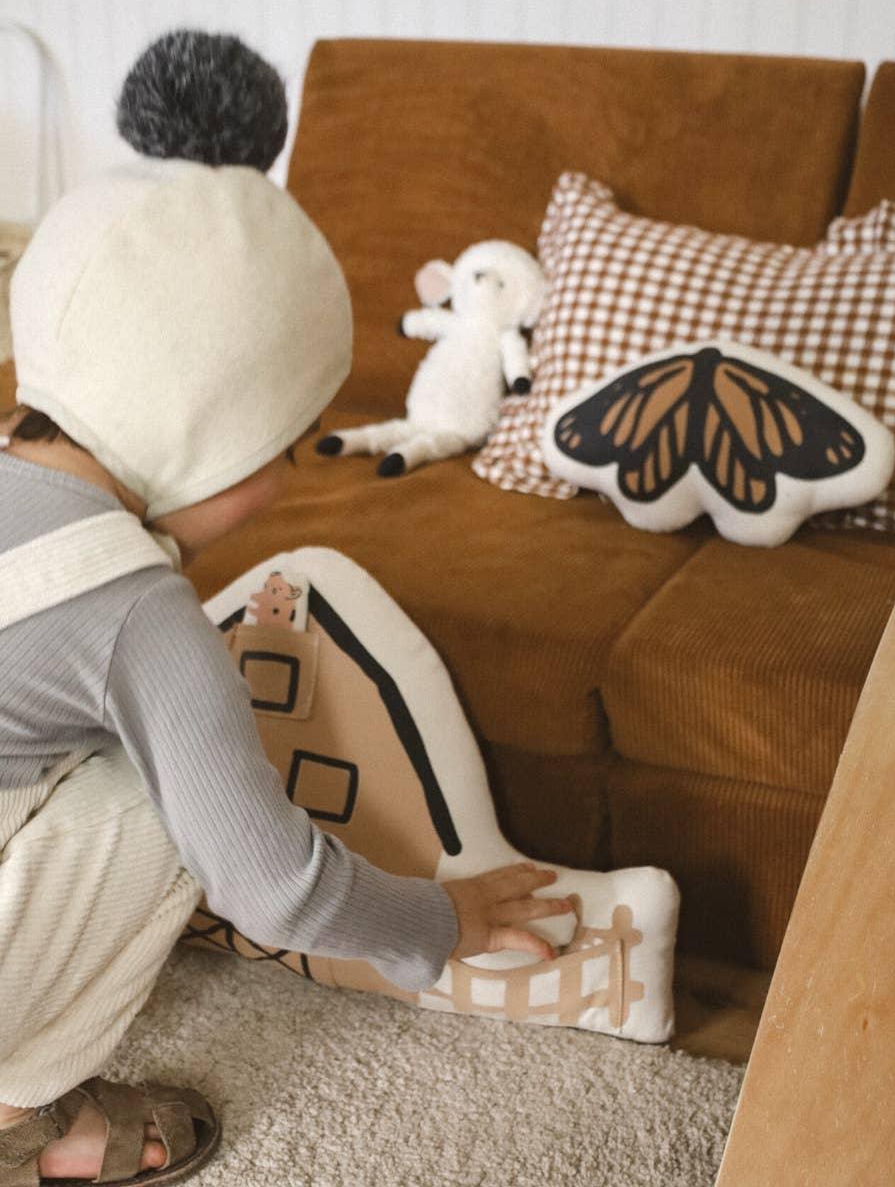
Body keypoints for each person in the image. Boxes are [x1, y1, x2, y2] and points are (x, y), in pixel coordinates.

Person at [0, 133, 571, 1187]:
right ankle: (13, 1114)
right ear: (206, 428)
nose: (280, 485)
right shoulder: (138, 613)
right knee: (166, 797)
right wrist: (442, 919)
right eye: (285, 444)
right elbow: (271, 886)